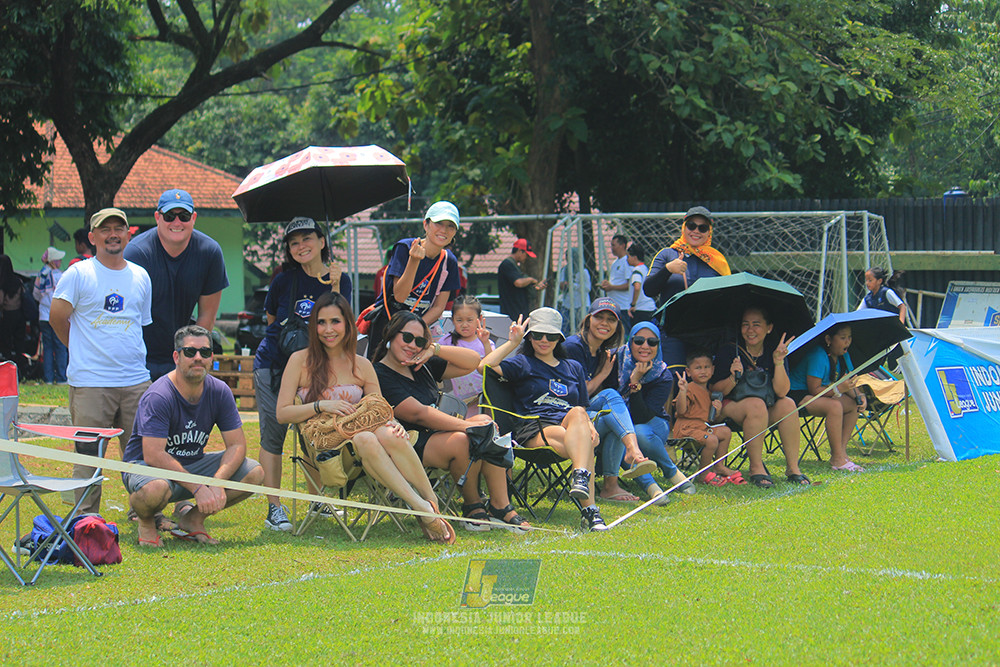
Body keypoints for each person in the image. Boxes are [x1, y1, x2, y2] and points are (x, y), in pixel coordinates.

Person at [276, 292, 456, 544]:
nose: (328, 329)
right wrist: (320, 405)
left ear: (348, 325)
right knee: (366, 438)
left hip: (367, 448)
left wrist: (394, 424)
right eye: (321, 322)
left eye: (335, 322)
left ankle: (430, 504)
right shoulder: (300, 360)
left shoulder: (361, 364)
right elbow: (282, 413)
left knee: (385, 433)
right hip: (328, 452)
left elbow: (380, 409)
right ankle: (422, 508)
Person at [375, 311, 530, 533]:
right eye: (407, 337)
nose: (412, 345)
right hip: (407, 441)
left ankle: (500, 504)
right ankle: (472, 505)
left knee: (485, 419)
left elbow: (473, 362)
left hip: (438, 434)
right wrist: (469, 426)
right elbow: (418, 414)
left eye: (419, 341)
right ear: (391, 334)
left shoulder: (421, 364)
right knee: (465, 437)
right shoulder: (380, 373)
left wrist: (433, 349)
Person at [50, 208, 153, 515]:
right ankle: (84, 519)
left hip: (136, 381)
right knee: (87, 457)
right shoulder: (78, 274)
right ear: (93, 237)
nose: (112, 234)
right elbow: (58, 318)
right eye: (104, 229)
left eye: (118, 229)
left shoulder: (140, 276)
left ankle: (147, 510)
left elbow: (139, 324)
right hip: (91, 383)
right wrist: (80, 349)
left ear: (128, 234)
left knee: (143, 455)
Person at [122, 325, 264, 547]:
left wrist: (217, 482)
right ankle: (146, 522)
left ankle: (193, 519)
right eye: (190, 352)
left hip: (192, 464)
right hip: (148, 469)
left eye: (205, 352)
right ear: (176, 357)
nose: (198, 358)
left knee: (254, 472)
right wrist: (198, 487)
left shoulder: (220, 391)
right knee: (155, 489)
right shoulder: (159, 396)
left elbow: (236, 445)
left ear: (211, 358)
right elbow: (153, 455)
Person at [254, 216, 351, 532]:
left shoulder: (340, 279)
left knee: (314, 431)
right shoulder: (283, 280)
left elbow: (341, 322)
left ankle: (318, 499)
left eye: (307, 239)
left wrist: (334, 284)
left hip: (316, 369)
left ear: (322, 241)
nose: (301, 246)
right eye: (293, 242)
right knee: (274, 433)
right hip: (274, 365)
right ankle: (275, 508)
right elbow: (272, 318)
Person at [479, 307, 609, 531]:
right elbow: (484, 366)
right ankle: (590, 511)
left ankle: (580, 477)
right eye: (537, 335)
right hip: (535, 428)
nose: (543, 340)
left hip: (570, 424)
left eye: (550, 336)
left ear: (559, 339)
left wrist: (589, 424)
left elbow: (582, 406)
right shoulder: (523, 363)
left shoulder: (574, 367)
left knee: (578, 414)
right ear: (529, 337)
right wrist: (512, 343)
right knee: (583, 443)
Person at [123, 189, 229, 380]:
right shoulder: (137, 254)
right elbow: (126, 315)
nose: (177, 222)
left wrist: (190, 357)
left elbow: (206, 317)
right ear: (157, 217)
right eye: (170, 216)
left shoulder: (209, 252)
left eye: (184, 216)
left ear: (194, 218)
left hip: (182, 357)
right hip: (138, 357)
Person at [563, 298, 659, 503]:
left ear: (617, 326)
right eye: (599, 317)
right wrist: (603, 373)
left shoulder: (601, 352)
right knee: (612, 398)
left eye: (611, 320)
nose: (604, 323)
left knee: (613, 415)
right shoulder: (573, 347)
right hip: (565, 416)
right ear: (588, 320)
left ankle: (611, 487)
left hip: (584, 413)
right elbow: (577, 395)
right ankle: (632, 453)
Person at [711, 307, 810, 489]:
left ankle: (793, 468)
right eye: (745, 325)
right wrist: (733, 377)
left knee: (788, 404)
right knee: (756, 405)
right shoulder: (729, 350)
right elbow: (715, 389)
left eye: (756, 325)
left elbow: (782, 392)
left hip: (764, 407)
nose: (750, 330)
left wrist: (778, 362)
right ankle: (756, 466)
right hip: (730, 407)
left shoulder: (775, 350)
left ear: (769, 328)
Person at [364, 201, 462, 359]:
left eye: (450, 226)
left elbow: (438, 307)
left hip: (416, 331)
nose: (444, 230)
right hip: (388, 323)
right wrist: (414, 261)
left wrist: (416, 328)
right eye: (439, 223)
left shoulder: (449, 260)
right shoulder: (405, 247)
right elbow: (400, 296)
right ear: (426, 224)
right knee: (378, 375)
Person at [611, 321, 695, 504]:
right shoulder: (615, 361)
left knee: (638, 433)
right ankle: (652, 488)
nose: (645, 346)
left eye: (652, 342)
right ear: (630, 342)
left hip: (654, 424)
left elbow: (643, 416)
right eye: (639, 341)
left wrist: (635, 383)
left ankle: (671, 471)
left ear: (658, 345)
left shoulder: (662, 374)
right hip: (620, 425)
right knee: (623, 437)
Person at [643, 206, 732, 367]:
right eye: (691, 225)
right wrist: (668, 270)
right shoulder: (667, 254)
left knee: (701, 382)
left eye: (702, 227)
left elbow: (727, 299)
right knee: (674, 378)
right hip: (671, 332)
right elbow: (648, 290)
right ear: (684, 228)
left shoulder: (717, 261)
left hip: (706, 333)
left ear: (709, 232)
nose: (696, 231)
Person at [789, 323, 867, 472]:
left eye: (849, 337)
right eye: (843, 337)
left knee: (853, 405)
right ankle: (837, 458)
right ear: (828, 339)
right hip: (798, 394)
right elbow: (814, 389)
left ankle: (841, 453)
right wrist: (838, 389)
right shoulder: (818, 355)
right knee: (835, 406)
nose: (847, 342)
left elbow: (848, 380)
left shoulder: (844, 356)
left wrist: (860, 396)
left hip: (822, 393)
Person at [673, 349, 739, 485]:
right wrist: (682, 391)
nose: (703, 371)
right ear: (689, 372)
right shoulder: (689, 388)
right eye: (698, 368)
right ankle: (703, 474)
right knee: (712, 440)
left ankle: (719, 466)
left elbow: (712, 420)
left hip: (702, 428)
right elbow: (680, 411)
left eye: (706, 367)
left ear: (713, 369)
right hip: (687, 429)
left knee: (725, 431)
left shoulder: (709, 391)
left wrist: (718, 411)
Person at [438, 295, 493, 417]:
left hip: (482, 396)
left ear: (479, 319)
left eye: (469, 320)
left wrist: (485, 342)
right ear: (452, 320)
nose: (464, 325)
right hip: (457, 396)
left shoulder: (485, 342)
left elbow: (492, 365)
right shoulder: (446, 342)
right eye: (459, 320)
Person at [32, 246, 69, 384]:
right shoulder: (60, 275)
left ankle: (47, 378)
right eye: (58, 259)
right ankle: (61, 377)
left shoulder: (41, 273)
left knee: (47, 347)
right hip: (57, 315)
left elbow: (36, 294)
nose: (60, 262)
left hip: (44, 315)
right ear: (53, 261)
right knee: (60, 346)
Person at [497, 238, 546, 321]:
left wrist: (535, 287)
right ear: (520, 251)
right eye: (526, 254)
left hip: (519, 313)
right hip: (512, 314)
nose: (526, 257)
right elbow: (518, 283)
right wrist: (531, 280)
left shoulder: (515, 266)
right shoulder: (507, 264)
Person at [599, 234, 632, 327]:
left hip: (624, 306)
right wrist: (606, 285)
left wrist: (612, 287)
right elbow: (615, 282)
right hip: (614, 306)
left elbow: (629, 285)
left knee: (624, 333)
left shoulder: (627, 261)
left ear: (622, 245)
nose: (612, 248)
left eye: (614, 245)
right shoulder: (615, 262)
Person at [556, 250, 592, 335]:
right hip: (567, 303)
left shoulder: (583, 271)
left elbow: (587, 288)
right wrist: (564, 285)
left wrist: (573, 285)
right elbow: (561, 284)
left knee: (580, 328)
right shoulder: (565, 270)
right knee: (564, 327)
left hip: (580, 304)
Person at [625, 245, 657, 326]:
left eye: (628, 256)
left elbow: (637, 286)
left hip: (640, 309)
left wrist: (633, 304)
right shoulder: (645, 268)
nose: (627, 259)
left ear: (634, 257)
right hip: (650, 307)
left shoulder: (636, 270)